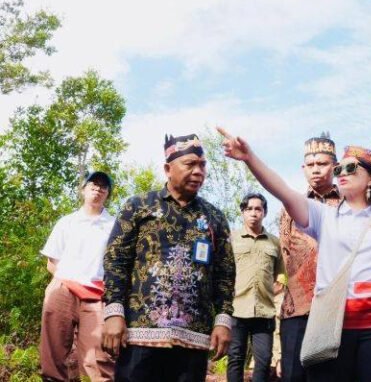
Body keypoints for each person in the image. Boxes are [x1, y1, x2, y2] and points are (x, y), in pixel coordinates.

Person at [218, 126, 371, 382]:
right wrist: (250, 158)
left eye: (350, 168)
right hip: (334, 325)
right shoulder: (324, 216)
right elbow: (282, 190)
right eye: (339, 169)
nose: (341, 174)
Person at [101, 134, 235, 381]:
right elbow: (116, 260)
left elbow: (226, 274)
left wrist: (223, 321)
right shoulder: (139, 206)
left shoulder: (214, 217)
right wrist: (113, 313)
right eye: (190, 164)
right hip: (140, 333)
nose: (198, 171)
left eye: (202, 165)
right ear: (167, 168)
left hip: (193, 339)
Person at [39, 171, 116, 382]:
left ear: (108, 194)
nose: (98, 188)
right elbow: (51, 262)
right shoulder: (67, 222)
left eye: (103, 186)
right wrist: (67, 281)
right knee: (53, 352)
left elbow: (119, 265)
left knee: (98, 357)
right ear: (83, 189)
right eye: (93, 184)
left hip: (98, 294)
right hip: (64, 288)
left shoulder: (114, 226)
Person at [279, 133, 342, 382]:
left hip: (337, 309)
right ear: (303, 168)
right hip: (296, 309)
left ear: (335, 166)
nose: (316, 170)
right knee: (294, 376)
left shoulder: (350, 204)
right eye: (310, 165)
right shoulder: (291, 206)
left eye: (322, 164)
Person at [228, 192, 283, 382]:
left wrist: (274, 290)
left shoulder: (274, 242)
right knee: (236, 358)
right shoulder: (231, 239)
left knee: (264, 359)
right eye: (249, 209)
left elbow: (282, 274)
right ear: (242, 212)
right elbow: (224, 272)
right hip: (236, 310)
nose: (253, 213)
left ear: (264, 213)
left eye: (258, 209)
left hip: (264, 311)